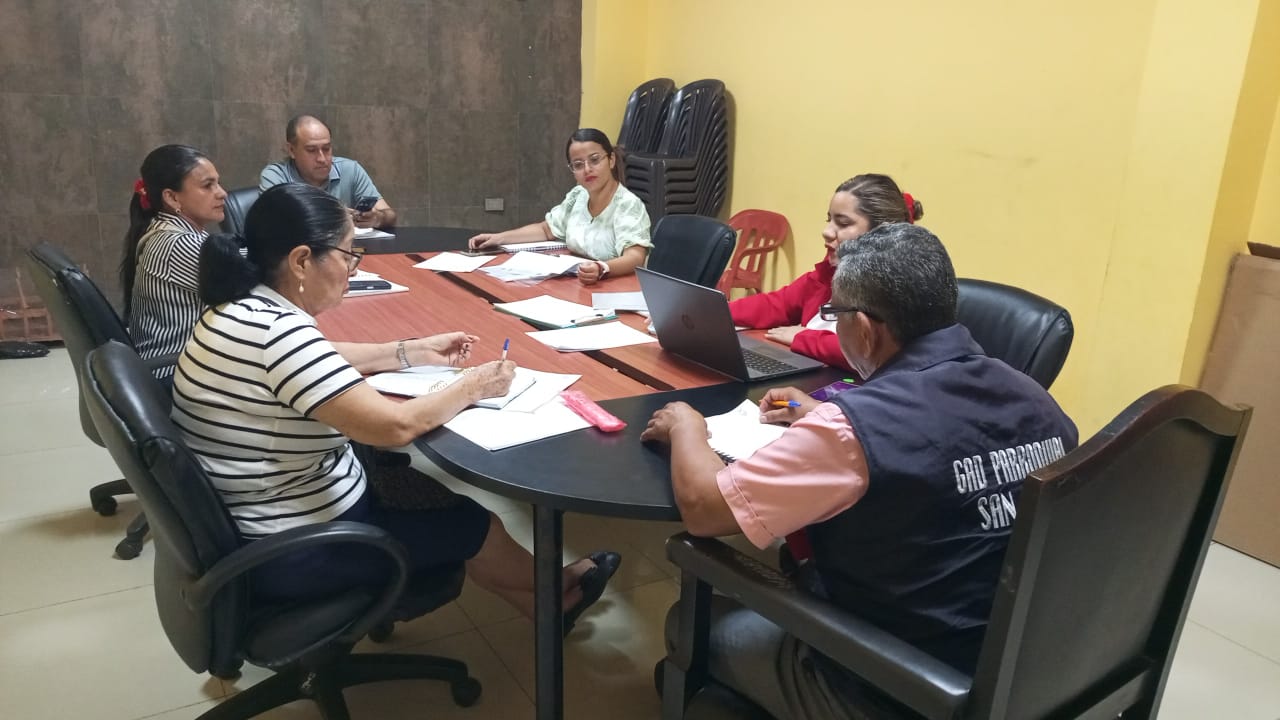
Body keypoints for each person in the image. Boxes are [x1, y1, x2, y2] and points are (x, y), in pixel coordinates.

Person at [642, 224, 1078, 719]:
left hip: (898, 684)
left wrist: (687, 427)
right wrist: (821, 416)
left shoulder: (850, 429)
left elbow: (703, 509)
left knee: (688, 624)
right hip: (1019, 667)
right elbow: (945, 445)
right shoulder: (1035, 399)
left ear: (866, 329)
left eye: (834, 314)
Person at [174, 183, 619, 631]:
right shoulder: (281, 336)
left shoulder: (243, 310)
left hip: (263, 516)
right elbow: (395, 427)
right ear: (302, 261)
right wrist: (473, 386)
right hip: (298, 546)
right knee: (475, 526)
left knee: (431, 497)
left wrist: (410, 351)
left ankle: (550, 608)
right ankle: (560, 586)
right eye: (347, 255)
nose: (352, 269)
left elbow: (323, 356)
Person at [730, 174, 922, 372]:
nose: (827, 232)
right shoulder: (829, 272)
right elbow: (780, 303)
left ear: (880, 234)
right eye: (829, 219)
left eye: (843, 223)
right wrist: (720, 312)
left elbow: (870, 352)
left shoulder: (899, 291)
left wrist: (803, 338)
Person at [468, 128, 651, 285]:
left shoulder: (628, 205)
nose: (587, 169)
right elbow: (546, 229)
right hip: (578, 283)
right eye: (578, 165)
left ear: (611, 160)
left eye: (595, 160)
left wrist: (602, 268)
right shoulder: (578, 195)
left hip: (614, 285)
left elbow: (635, 257)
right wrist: (499, 238)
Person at [119, 144, 227, 378]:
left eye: (218, 183)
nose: (222, 193)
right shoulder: (178, 243)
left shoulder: (164, 230)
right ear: (172, 197)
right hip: (175, 371)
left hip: (173, 363)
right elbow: (249, 282)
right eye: (208, 185)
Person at [259, 114, 396, 229]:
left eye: (326, 149)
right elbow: (272, 225)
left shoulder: (350, 170)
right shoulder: (276, 176)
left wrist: (378, 218)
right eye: (311, 150)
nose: (322, 159)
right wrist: (335, 216)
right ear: (291, 150)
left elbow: (390, 214)